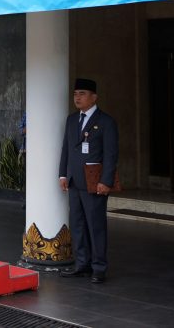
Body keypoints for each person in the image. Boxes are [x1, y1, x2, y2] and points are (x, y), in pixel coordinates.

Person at [59, 78, 119, 284]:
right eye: (75, 94)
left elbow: (111, 154)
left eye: (82, 94)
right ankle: (82, 264)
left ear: (94, 97)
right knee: (77, 225)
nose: (77, 98)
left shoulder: (106, 122)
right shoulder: (71, 120)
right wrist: (63, 174)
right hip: (74, 181)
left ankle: (99, 267)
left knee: (96, 226)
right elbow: (66, 149)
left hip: (94, 182)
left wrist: (106, 181)